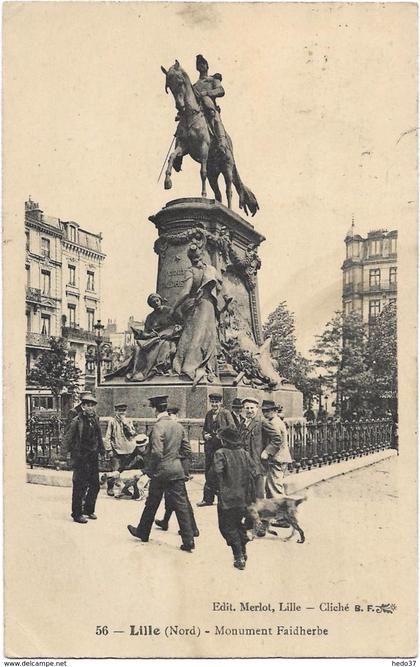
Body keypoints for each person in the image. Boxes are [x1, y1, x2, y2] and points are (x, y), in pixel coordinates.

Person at [127, 395, 195, 552]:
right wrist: (174, 460)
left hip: (160, 473)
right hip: (176, 471)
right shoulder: (178, 426)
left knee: (152, 503)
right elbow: (187, 451)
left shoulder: (158, 427)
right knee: (181, 506)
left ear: (154, 409)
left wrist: (148, 471)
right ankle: (188, 540)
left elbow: (157, 453)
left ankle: (143, 532)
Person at [172, 244, 224, 385]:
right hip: (210, 306)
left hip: (199, 306)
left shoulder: (191, 271)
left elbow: (185, 292)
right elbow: (220, 288)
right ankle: (207, 367)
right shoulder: (211, 270)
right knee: (206, 336)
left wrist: (173, 308)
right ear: (201, 256)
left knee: (195, 336)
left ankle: (189, 366)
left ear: (190, 259)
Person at [209, 427, 257, 570]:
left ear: (224, 441)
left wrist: (214, 488)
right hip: (244, 498)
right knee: (238, 524)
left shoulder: (220, 453)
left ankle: (238, 556)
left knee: (227, 527)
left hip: (227, 498)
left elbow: (216, 472)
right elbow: (254, 471)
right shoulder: (244, 454)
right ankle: (243, 549)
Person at [107, 293, 182, 382]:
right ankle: (136, 372)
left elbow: (181, 324)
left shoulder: (170, 311)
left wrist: (175, 330)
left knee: (163, 345)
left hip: (169, 337)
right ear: (151, 305)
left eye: (157, 301)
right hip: (153, 338)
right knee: (138, 348)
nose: (156, 303)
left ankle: (151, 370)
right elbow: (147, 331)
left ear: (160, 300)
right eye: (153, 303)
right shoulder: (150, 317)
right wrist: (147, 335)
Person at [154, 404, 199, 536]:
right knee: (174, 499)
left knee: (181, 501)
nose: (170, 416)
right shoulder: (174, 427)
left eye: (172, 414)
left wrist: (183, 469)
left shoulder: (176, 428)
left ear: (176, 416)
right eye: (168, 414)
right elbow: (187, 451)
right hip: (175, 470)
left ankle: (192, 529)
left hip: (170, 470)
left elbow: (187, 451)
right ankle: (167, 522)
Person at [61, 392, 105, 524]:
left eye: (92, 405)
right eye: (88, 405)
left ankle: (88, 509)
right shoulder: (77, 421)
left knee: (95, 485)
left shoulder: (95, 419)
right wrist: (65, 456)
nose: (91, 408)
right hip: (81, 457)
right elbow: (67, 438)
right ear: (83, 406)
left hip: (92, 456)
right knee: (79, 485)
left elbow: (98, 435)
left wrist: (102, 450)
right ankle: (77, 513)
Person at [239, 397, 282, 499]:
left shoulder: (262, 422)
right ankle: (251, 513)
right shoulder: (242, 423)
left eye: (252, 408)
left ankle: (261, 513)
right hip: (244, 463)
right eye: (247, 408)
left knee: (258, 494)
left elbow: (277, 438)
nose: (249, 410)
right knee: (247, 492)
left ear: (257, 408)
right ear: (244, 409)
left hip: (257, 462)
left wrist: (267, 451)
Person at [197, 392, 235, 507]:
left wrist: (220, 434)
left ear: (220, 403)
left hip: (221, 448)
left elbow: (232, 427)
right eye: (212, 402)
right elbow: (204, 429)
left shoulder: (225, 413)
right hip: (209, 448)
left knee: (220, 473)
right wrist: (205, 435)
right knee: (208, 472)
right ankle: (208, 498)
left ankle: (223, 499)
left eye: (216, 402)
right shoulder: (208, 414)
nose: (214, 404)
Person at [104, 403, 145, 496]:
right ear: (116, 411)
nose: (121, 413)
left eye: (123, 411)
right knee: (116, 470)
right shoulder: (112, 422)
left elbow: (133, 434)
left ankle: (127, 488)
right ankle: (110, 487)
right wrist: (109, 449)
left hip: (129, 450)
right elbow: (108, 437)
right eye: (119, 411)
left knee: (131, 471)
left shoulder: (128, 421)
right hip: (117, 449)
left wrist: (126, 424)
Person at [192, 54, 228, 153]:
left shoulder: (213, 80)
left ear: (207, 66)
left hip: (210, 109)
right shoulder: (194, 86)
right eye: (199, 64)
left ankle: (222, 143)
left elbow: (221, 90)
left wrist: (207, 93)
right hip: (197, 111)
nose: (201, 65)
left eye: (203, 63)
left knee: (216, 118)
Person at [261, 400, 292, 497]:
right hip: (280, 457)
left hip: (276, 458)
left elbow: (277, 440)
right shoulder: (276, 421)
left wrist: (267, 452)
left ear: (274, 411)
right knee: (271, 485)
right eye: (264, 411)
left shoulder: (274, 423)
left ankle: (281, 509)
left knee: (275, 487)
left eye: (268, 411)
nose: (265, 413)